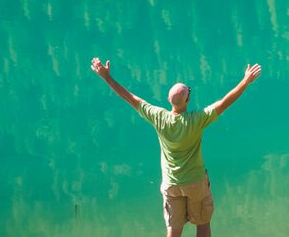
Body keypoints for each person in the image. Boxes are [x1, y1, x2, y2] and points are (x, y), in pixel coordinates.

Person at [91, 57, 262, 237]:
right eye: (189, 92)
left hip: (171, 183)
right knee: (203, 224)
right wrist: (246, 81)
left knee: (173, 230)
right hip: (195, 181)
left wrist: (106, 77)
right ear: (187, 101)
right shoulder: (197, 120)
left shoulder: (158, 117)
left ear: (168, 99)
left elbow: (129, 97)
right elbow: (225, 102)